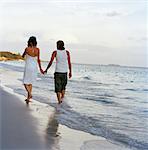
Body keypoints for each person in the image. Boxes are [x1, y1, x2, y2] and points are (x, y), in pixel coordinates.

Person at [22, 36, 44, 103]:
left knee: (25, 82)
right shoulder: (38, 49)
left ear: (29, 42)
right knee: (30, 82)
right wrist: (40, 68)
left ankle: (30, 94)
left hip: (28, 67)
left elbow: (23, 56)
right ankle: (28, 98)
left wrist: (24, 55)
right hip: (34, 67)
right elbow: (38, 60)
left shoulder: (27, 49)